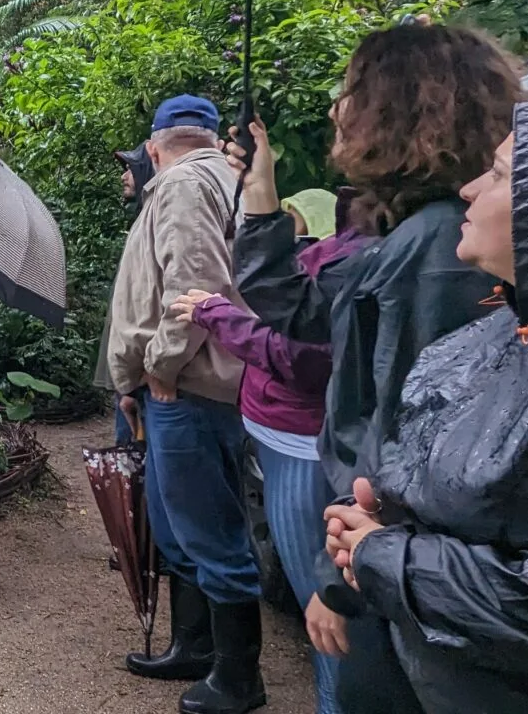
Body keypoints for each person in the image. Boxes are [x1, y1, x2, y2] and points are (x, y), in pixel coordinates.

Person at [229, 23, 519, 713]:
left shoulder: (438, 250)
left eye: (350, 91)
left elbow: (405, 433)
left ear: (397, 108)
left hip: (401, 566)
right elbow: (305, 311)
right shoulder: (421, 229)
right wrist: (261, 190)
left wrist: (348, 581)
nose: (336, 109)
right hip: (413, 562)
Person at [325, 93, 528, 713]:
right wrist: (375, 518)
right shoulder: (505, 329)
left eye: (495, 175)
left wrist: (385, 556)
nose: (467, 190)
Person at [171, 188, 371, 714]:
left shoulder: (356, 256)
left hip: (301, 437)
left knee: (326, 600)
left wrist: (216, 315)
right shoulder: (349, 244)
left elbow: (302, 355)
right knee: (322, 595)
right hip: (284, 430)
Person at [106, 95, 264, 714]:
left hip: (189, 382)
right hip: (196, 382)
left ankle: (238, 677)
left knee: (207, 528)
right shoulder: (225, 177)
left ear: (154, 146)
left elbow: (193, 282)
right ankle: (194, 647)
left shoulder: (184, 184)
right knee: (183, 527)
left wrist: (162, 366)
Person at [95, 143, 159, 444]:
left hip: (145, 380)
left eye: (130, 170)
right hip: (137, 378)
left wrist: (134, 383)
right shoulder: (144, 220)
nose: (124, 177)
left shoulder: (156, 222)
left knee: (133, 461)